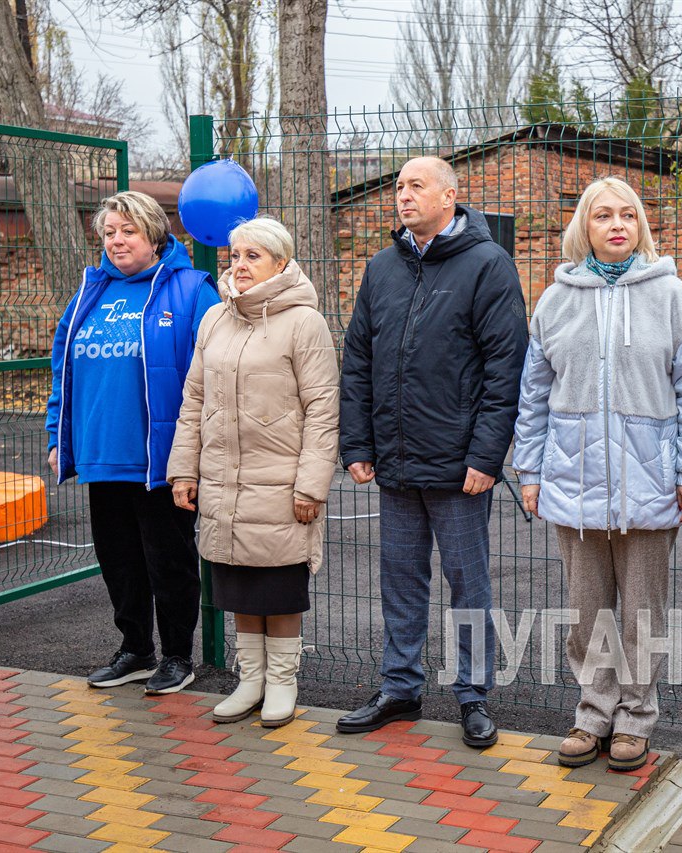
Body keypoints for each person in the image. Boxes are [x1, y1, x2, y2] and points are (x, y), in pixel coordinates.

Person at [511, 177, 682, 772]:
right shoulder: (555, 301)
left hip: (649, 480)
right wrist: (530, 469)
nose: (617, 225)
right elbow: (533, 396)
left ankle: (635, 718)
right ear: (585, 226)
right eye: (603, 215)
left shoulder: (673, 296)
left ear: (642, 225)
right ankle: (593, 713)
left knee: (641, 612)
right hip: (572, 482)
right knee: (586, 609)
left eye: (628, 214)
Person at [337, 156, 527, 748]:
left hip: (458, 466)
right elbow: (358, 362)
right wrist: (358, 444)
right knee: (400, 579)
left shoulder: (487, 264)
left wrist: (486, 457)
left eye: (416, 186)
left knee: (468, 581)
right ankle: (400, 688)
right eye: (398, 186)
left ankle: (473, 695)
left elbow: (505, 369)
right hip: (393, 461)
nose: (403, 195)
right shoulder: (382, 268)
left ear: (450, 196)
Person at [45, 191, 219, 695]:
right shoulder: (88, 293)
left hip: (162, 460)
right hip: (103, 455)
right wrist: (60, 434)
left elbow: (212, 377)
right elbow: (63, 371)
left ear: (154, 235)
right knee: (119, 563)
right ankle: (137, 650)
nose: (117, 241)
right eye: (109, 233)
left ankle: (178, 657)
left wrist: (197, 452)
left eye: (128, 231)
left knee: (170, 562)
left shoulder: (191, 291)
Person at [167, 217, 338, 727]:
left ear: (281, 264)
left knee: (279, 584)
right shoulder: (215, 319)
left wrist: (311, 484)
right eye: (234, 256)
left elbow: (324, 408)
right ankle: (251, 680)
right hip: (224, 481)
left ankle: (283, 683)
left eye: (252, 256)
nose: (238, 265)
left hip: (281, 484)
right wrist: (184, 471)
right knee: (238, 582)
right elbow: (193, 399)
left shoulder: (304, 322)